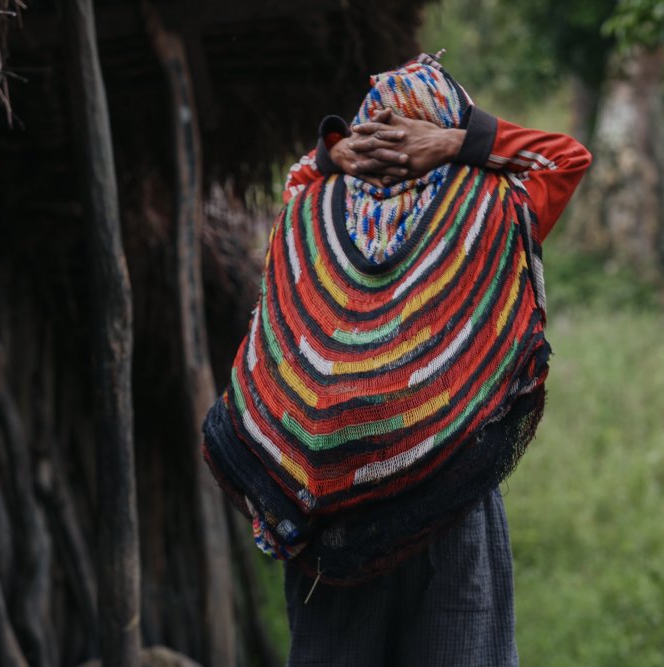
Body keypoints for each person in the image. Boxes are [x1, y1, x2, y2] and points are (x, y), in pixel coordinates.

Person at [202, 53, 591, 666]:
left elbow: (302, 172)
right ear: (442, 128)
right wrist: (460, 143)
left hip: (325, 522)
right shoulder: (491, 208)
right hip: (450, 499)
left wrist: (336, 153)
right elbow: (566, 158)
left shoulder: (307, 212)